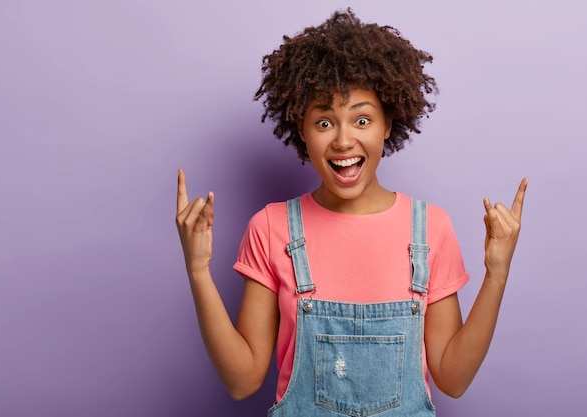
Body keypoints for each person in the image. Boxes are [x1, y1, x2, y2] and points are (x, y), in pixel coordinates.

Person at [176, 8, 527, 416]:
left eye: (362, 119)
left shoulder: (431, 228)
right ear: (301, 131)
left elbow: (453, 378)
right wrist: (198, 270)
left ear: (388, 124)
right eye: (324, 122)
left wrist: (497, 273)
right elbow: (242, 382)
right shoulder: (271, 228)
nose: (344, 140)